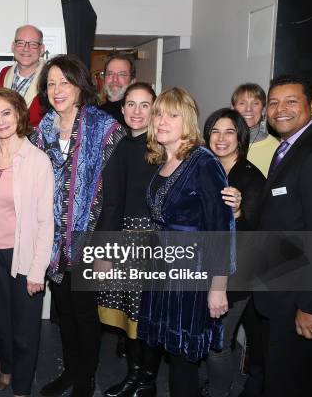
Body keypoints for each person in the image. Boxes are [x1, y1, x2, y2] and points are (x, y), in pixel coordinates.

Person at [31, 54, 125, 397]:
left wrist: (104, 248)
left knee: (85, 316)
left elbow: (114, 199)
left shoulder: (105, 128)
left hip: (89, 239)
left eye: (65, 82)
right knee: (64, 315)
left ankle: (86, 378)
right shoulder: (42, 130)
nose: (57, 90)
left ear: (80, 85)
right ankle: (71, 371)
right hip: (54, 243)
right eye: (51, 83)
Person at [138, 87, 234, 397]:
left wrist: (218, 287)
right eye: (158, 113)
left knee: (183, 363)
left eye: (172, 114)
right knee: (172, 356)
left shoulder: (203, 162)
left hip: (192, 276)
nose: (162, 120)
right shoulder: (163, 161)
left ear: (188, 120)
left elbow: (221, 228)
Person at [0, 88, 54, 396]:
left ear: (19, 113)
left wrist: (37, 270)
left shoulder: (36, 160)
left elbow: (46, 221)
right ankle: (7, 369)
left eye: (5, 113)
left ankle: (21, 387)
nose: (0, 121)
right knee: (0, 324)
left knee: (24, 332)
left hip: (23, 257)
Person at [252, 75, 312, 397]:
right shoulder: (288, 149)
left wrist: (311, 304)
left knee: (290, 382)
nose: (280, 109)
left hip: (297, 297)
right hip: (278, 292)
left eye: (291, 101)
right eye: (274, 103)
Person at [97, 82, 161, 397]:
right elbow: (112, 203)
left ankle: (145, 381)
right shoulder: (122, 146)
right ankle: (136, 377)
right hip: (125, 240)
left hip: (154, 244)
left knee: (148, 317)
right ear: (122, 110)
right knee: (132, 319)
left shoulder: (165, 147)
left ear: (155, 109)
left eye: (144, 104)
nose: (137, 111)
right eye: (131, 105)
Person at [202, 108, 266, 397]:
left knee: (218, 344)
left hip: (235, 278)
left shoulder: (251, 178)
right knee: (208, 338)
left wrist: (237, 212)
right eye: (215, 131)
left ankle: (218, 391)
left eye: (229, 131)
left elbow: (255, 234)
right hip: (204, 268)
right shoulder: (208, 170)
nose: (221, 138)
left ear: (240, 137)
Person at [0, 25, 46, 126]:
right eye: (20, 43)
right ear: (13, 47)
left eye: (33, 44)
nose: (26, 49)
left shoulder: (50, 79)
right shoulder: (4, 73)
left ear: (42, 49)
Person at [230, 83, 279, 176]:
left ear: (264, 110)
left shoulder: (276, 148)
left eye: (255, 103)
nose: (248, 109)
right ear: (233, 108)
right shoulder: (222, 143)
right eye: (242, 103)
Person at [99, 52, 136, 126]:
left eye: (122, 74)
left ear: (132, 82)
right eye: (110, 74)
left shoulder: (138, 117)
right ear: (104, 79)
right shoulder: (94, 114)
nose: (115, 79)